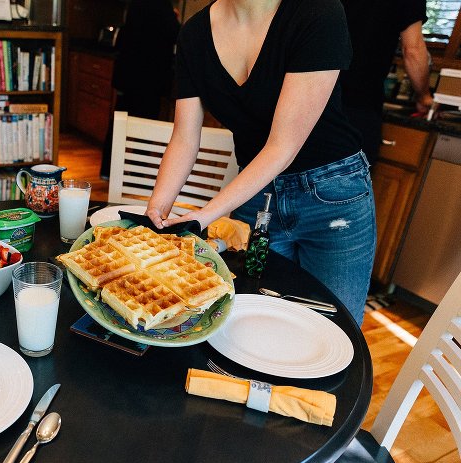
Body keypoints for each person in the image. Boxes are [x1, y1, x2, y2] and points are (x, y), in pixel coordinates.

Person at [147, 0, 376, 325]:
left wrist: (203, 216)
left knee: (334, 327)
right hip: (257, 192)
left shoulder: (318, 11)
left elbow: (283, 146)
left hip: (333, 197)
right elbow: (185, 137)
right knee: (241, 320)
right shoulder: (195, 34)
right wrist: (157, 210)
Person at [339, 0, 432, 164]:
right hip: (357, 105)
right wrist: (424, 97)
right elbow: (413, 50)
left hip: (304, 94)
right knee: (348, 183)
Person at [99, 0, 181, 179]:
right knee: (146, 127)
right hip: (149, 79)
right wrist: (176, 18)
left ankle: (108, 169)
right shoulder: (162, 6)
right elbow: (176, 34)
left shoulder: (136, 4)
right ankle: (137, 171)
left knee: (118, 123)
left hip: (129, 76)